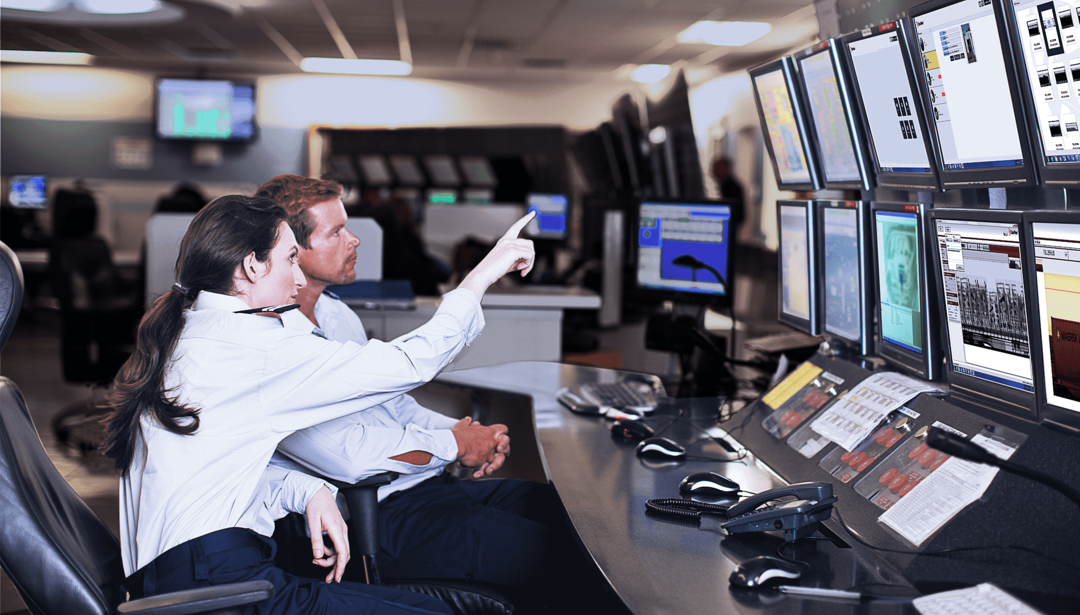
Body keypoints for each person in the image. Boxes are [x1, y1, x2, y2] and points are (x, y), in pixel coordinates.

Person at [103, 194, 536, 613]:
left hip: (196, 571)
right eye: (290, 258)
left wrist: (305, 490)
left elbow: (208, 475)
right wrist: (482, 275)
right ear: (252, 265)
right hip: (212, 583)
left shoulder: (196, 328)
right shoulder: (255, 348)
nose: (297, 278)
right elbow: (409, 363)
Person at [254, 175, 579, 594]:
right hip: (378, 512)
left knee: (566, 514)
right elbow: (350, 457)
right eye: (336, 232)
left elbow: (392, 404)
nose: (354, 240)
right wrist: (456, 446)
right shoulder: (277, 346)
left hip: (422, 486)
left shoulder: (336, 315)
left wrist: (460, 432)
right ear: (292, 252)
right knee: (557, 558)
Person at [711, 157, 745, 238]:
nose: (713, 170)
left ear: (725, 169)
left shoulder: (734, 188)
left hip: (727, 232)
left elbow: (740, 215)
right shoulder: (715, 185)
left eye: (717, 167)